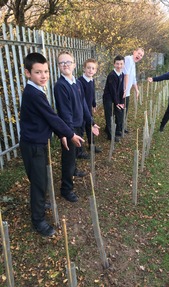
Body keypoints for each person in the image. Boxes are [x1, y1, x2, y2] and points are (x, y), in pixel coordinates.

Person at [19, 52, 84, 237]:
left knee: (41, 179)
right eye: (38, 72)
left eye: (46, 71)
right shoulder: (33, 93)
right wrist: (69, 134)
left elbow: (48, 118)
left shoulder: (37, 90)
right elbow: (51, 116)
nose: (44, 75)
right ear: (27, 73)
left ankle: (39, 204)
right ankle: (38, 220)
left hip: (38, 143)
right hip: (33, 146)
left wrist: (60, 133)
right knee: (39, 182)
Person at [54, 50, 100, 203]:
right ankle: (66, 189)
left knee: (74, 155)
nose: (65, 65)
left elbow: (84, 105)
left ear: (74, 65)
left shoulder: (77, 83)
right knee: (68, 158)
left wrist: (91, 122)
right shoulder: (60, 86)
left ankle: (74, 171)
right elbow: (65, 112)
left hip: (79, 125)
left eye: (68, 62)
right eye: (62, 63)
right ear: (59, 66)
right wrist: (69, 133)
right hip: (69, 128)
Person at [78, 58, 102, 153]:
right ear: (84, 68)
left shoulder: (92, 80)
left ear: (95, 71)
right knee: (81, 128)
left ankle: (91, 145)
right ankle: (79, 150)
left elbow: (92, 93)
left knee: (90, 126)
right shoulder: (80, 82)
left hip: (89, 109)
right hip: (82, 110)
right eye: (88, 68)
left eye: (93, 68)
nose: (90, 70)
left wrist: (94, 103)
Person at [103, 55, 125, 141]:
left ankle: (111, 130)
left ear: (123, 64)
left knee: (118, 113)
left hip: (115, 97)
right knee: (109, 115)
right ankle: (110, 135)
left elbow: (120, 89)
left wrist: (121, 101)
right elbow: (113, 90)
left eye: (121, 64)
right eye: (117, 64)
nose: (119, 66)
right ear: (114, 64)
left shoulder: (122, 74)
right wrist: (117, 103)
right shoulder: (112, 75)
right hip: (108, 98)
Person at [123, 47, 144, 132]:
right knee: (120, 110)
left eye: (141, 55)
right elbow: (126, 74)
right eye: (138, 53)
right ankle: (118, 129)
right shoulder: (128, 59)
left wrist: (137, 90)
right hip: (123, 91)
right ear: (134, 52)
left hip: (127, 92)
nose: (139, 56)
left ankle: (122, 127)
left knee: (125, 110)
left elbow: (134, 78)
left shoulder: (134, 63)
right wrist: (125, 88)